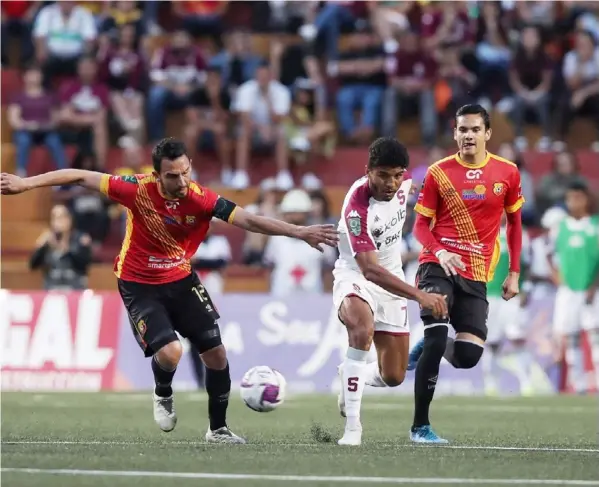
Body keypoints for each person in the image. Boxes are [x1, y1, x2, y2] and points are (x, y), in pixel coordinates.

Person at [0, 138, 338, 444]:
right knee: (172, 351)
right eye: (172, 176)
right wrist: (26, 183)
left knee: (216, 353)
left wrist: (299, 231)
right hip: (138, 284)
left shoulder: (203, 199)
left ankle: (217, 429)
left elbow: (247, 220)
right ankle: (163, 392)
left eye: (185, 173)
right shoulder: (134, 189)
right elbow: (77, 176)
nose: (181, 182)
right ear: (156, 175)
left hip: (180, 279)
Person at [406, 104, 525, 444]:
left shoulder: (507, 173)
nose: (468, 135)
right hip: (437, 264)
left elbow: (515, 224)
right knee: (435, 331)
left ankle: (438, 342)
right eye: (463, 129)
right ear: (455, 133)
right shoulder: (439, 172)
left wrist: (514, 273)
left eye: (475, 129)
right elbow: (420, 225)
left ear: (488, 133)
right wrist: (440, 251)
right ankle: (420, 427)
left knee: (468, 357)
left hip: (476, 272)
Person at [332, 137, 448, 446]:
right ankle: (353, 429)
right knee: (361, 327)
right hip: (357, 274)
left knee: (394, 376)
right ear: (368, 170)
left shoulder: (405, 182)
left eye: (397, 175)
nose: (391, 182)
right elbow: (369, 270)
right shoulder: (357, 210)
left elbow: (418, 189)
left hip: (392, 275)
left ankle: (351, 377)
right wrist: (420, 295)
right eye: (383, 175)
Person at [548, 182, 599, 393]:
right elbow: (550, 253)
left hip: (592, 290)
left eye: (579, 197)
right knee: (571, 337)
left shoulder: (595, 225)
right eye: (571, 198)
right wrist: (557, 276)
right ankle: (577, 385)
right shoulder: (560, 226)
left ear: (587, 199)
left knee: (595, 335)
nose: (575, 202)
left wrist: (594, 285)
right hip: (568, 291)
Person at [483, 212, 534, 396]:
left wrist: (525, 288)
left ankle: (527, 384)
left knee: (517, 338)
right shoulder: (482, 231)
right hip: (489, 295)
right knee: (491, 342)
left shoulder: (521, 234)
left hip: (511, 295)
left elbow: (527, 264)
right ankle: (491, 385)